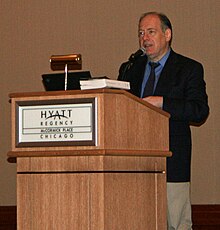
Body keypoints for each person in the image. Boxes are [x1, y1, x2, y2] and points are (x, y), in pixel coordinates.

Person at [117, 12, 209, 229]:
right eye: (140, 33)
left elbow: (199, 110)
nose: (144, 38)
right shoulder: (130, 69)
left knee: (176, 224)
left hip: (172, 161)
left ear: (167, 34)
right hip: (135, 160)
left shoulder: (189, 68)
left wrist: (162, 102)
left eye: (150, 32)